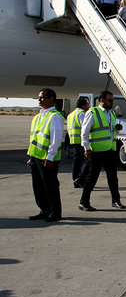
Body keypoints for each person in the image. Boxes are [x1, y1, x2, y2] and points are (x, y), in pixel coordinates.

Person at [79, 90, 125, 211]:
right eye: (110, 100)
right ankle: (83, 202)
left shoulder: (112, 114)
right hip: (96, 151)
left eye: (113, 100)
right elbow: (84, 133)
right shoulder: (92, 113)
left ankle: (116, 200)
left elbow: (109, 130)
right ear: (102, 100)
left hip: (110, 150)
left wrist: (116, 128)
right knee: (92, 178)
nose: (112, 102)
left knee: (113, 178)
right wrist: (86, 148)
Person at [27, 88, 64, 222]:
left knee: (50, 186)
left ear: (51, 99)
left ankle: (55, 212)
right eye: (39, 97)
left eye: (42, 97)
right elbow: (35, 138)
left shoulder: (55, 116)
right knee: (38, 186)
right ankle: (44, 209)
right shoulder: (38, 116)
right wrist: (31, 156)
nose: (39, 100)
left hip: (47, 158)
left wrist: (50, 157)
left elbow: (56, 139)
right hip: (36, 156)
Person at [67, 97, 91, 188]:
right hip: (80, 140)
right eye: (87, 104)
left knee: (77, 160)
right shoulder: (81, 114)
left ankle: (76, 178)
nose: (89, 106)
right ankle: (80, 179)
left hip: (73, 139)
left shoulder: (71, 114)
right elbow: (84, 127)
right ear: (83, 105)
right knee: (87, 160)